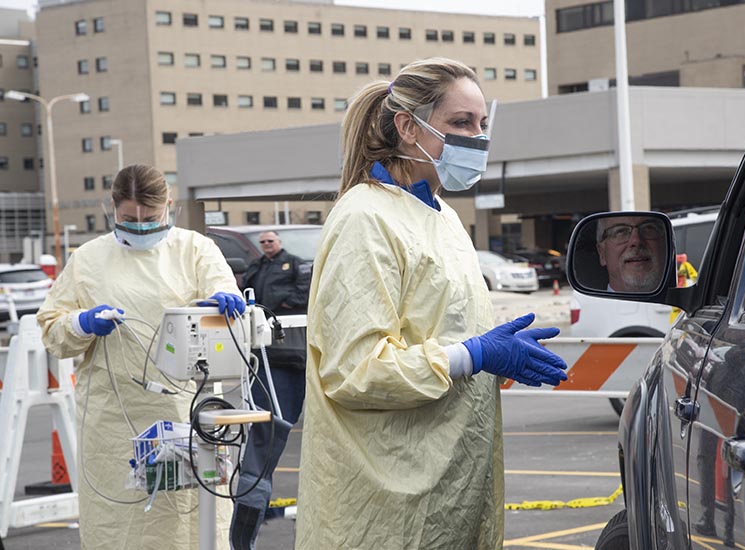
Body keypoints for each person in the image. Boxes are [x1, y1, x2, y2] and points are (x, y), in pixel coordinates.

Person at [295, 57, 568, 549]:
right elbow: (355, 369)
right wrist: (472, 355)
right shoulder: (366, 218)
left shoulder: (440, 216)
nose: (478, 138)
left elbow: (437, 329)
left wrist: (490, 352)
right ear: (407, 126)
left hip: (449, 487)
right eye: (461, 123)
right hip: (387, 502)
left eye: (482, 124)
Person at [36, 164, 245, 550]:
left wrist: (223, 304)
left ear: (168, 206)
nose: (141, 226)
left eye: (151, 218)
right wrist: (81, 324)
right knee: (121, 527)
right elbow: (52, 330)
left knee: (190, 524)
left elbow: (222, 292)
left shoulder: (195, 249)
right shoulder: (88, 259)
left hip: (184, 413)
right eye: (129, 218)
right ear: (112, 209)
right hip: (113, 422)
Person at [230, 230, 311, 550]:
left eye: (270, 241)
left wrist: (275, 304)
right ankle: (245, 526)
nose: (266, 246)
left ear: (279, 242)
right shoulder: (256, 268)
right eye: (262, 242)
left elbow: (300, 298)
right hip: (268, 360)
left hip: (300, 357)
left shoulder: (298, 266)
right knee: (263, 443)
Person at [595, 216, 666, 292]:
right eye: (621, 232)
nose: (636, 241)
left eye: (648, 228)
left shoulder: (679, 302)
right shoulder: (585, 304)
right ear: (602, 253)